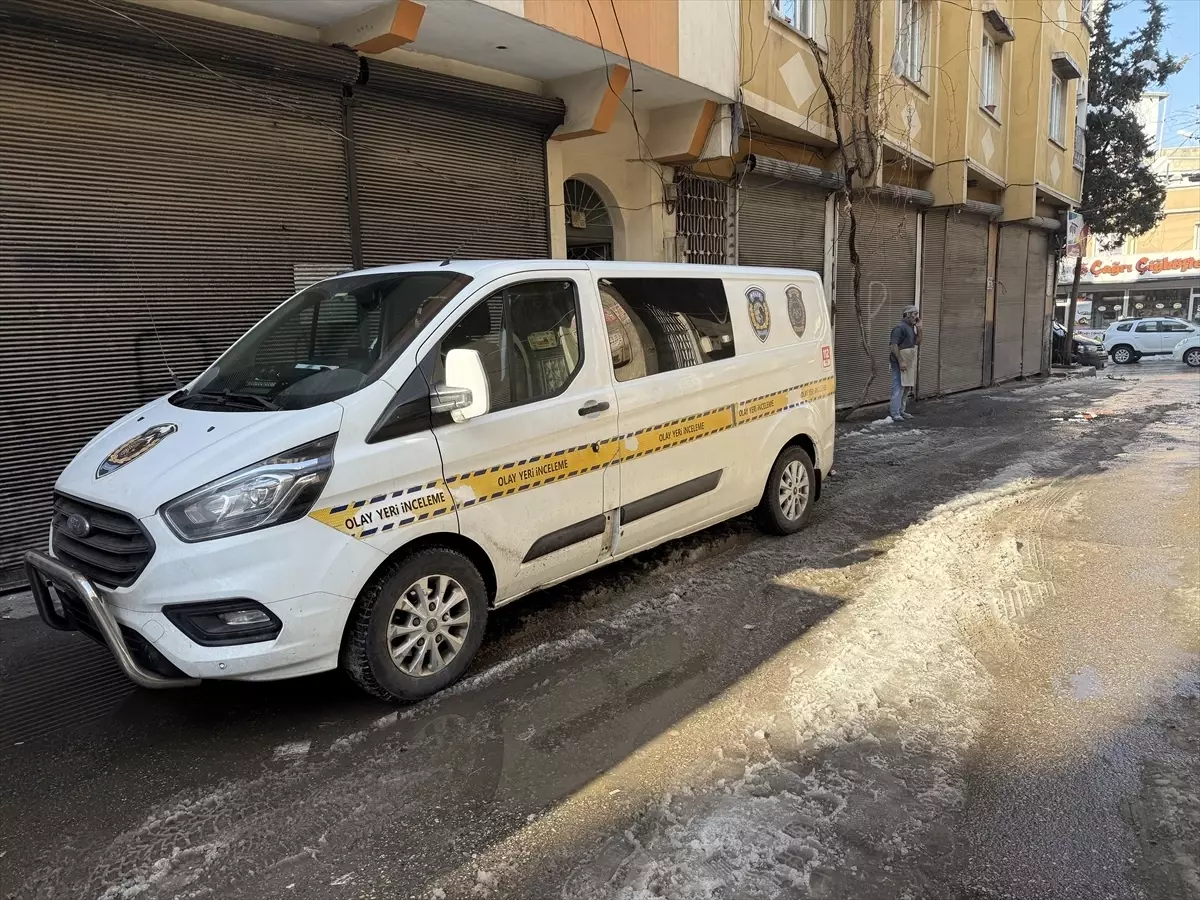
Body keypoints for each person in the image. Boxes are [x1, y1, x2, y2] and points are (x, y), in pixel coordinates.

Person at [888, 305, 921, 421]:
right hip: (900, 361)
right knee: (899, 386)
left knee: (906, 385)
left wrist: (919, 328)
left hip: (909, 360)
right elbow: (893, 345)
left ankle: (901, 410)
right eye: (915, 314)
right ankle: (895, 413)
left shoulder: (911, 327)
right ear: (907, 314)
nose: (916, 317)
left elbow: (917, 342)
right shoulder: (899, 328)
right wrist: (900, 361)